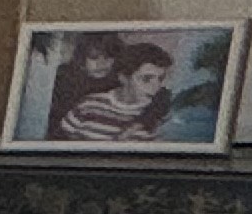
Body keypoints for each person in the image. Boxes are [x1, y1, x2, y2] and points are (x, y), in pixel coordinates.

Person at [50, 36, 178, 141]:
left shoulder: (158, 111)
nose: (102, 64)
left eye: (160, 79)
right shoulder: (79, 95)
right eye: (94, 58)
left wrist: (138, 125)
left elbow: (163, 97)